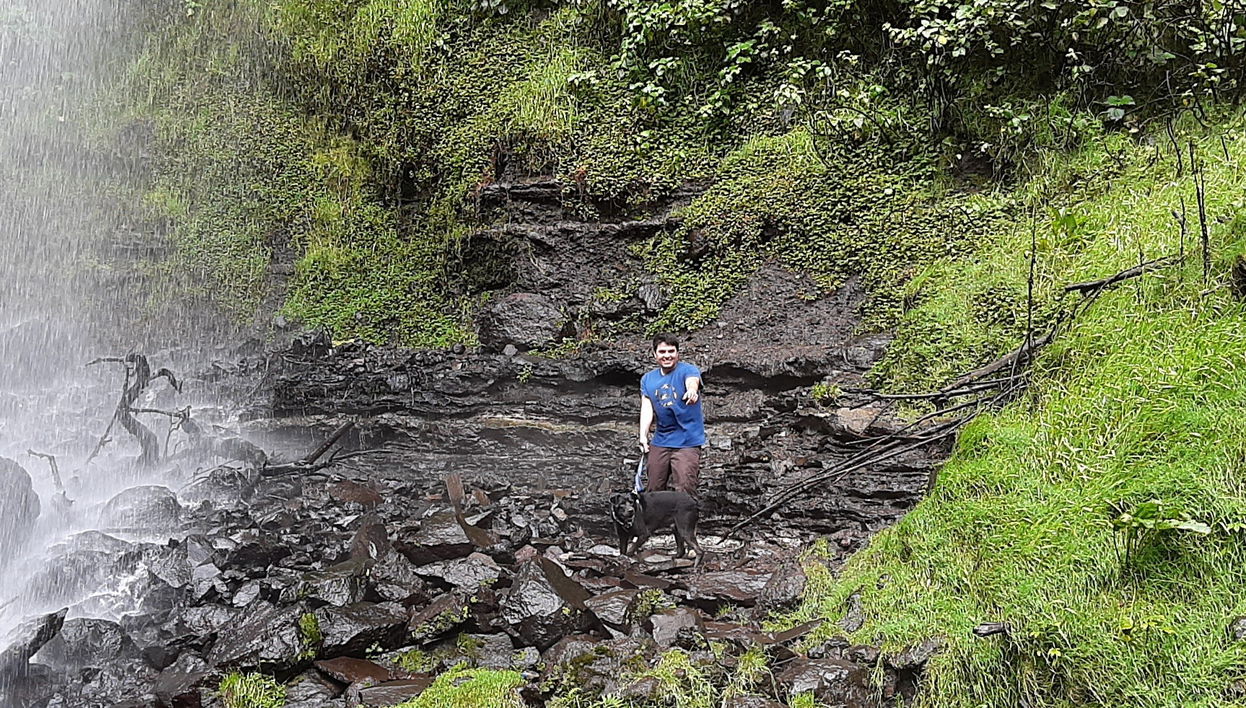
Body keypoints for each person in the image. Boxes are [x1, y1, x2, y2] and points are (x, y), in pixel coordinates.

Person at [638, 333, 705, 496]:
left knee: (684, 489)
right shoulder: (648, 379)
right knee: (653, 488)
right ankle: (656, 521)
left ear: (677, 353)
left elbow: (692, 382)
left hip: (687, 441)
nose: (667, 355)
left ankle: (685, 522)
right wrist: (643, 436)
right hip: (661, 440)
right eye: (662, 352)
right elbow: (647, 409)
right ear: (654, 354)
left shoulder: (688, 370)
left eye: (671, 351)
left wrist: (691, 391)